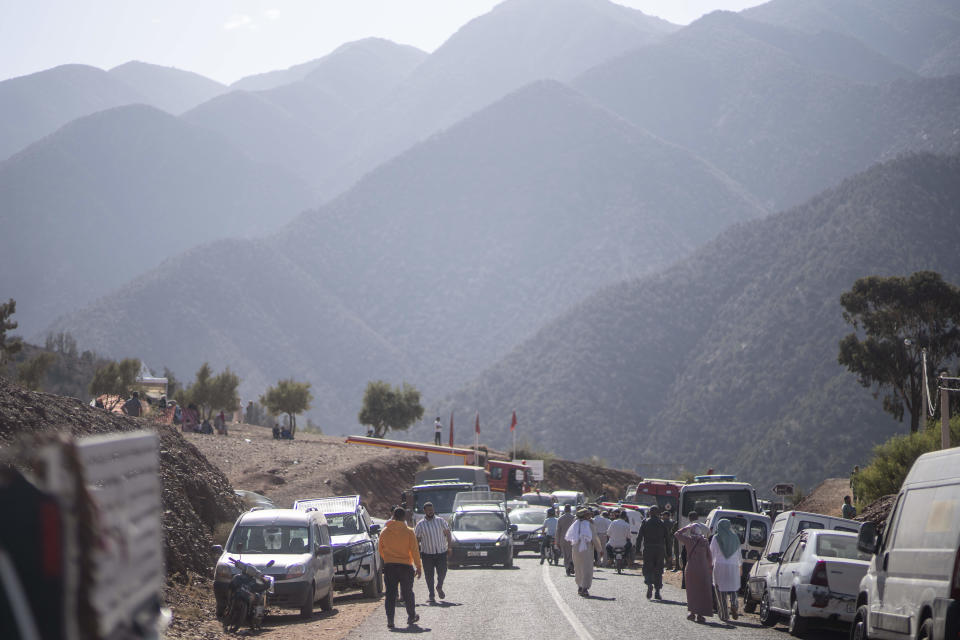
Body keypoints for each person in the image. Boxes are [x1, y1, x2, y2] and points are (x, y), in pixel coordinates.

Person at [378, 507, 422, 628]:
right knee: (408, 593)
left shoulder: (385, 531)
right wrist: (418, 566)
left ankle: (390, 620)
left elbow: (380, 549)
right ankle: (411, 616)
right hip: (405, 566)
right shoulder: (409, 531)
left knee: (390, 594)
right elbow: (415, 551)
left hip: (390, 566)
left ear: (393, 516)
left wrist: (388, 559)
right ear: (404, 518)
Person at [676, 515, 714, 623]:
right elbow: (709, 557)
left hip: (691, 568)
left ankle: (692, 613)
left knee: (692, 591)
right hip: (703, 569)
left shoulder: (688, 540)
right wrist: (710, 568)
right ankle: (701, 614)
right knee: (702, 591)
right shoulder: (705, 542)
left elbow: (676, 534)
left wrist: (686, 528)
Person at [414, 502, 452, 603]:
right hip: (427, 554)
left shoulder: (440, 521)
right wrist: (417, 552)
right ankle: (431, 595)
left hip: (441, 552)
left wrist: (449, 547)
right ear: (425, 511)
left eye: (432, 509)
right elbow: (416, 539)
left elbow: (448, 533)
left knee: (443, 571)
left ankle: (439, 586)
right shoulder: (420, 525)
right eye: (428, 510)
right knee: (429, 575)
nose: (430, 511)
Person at [710, 518, 742, 620]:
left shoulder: (716, 538)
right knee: (732, 587)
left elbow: (712, 553)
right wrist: (740, 566)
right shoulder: (735, 537)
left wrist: (710, 565)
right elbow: (739, 554)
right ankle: (734, 604)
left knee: (720, 590)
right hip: (733, 566)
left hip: (719, 565)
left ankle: (724, 615)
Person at [565, 508, 602, 597]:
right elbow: (594, 538)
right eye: (588, 514)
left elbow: (571, 538)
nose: (590, 516)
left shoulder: (575, 524)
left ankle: (580, 586)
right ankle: (584, 588)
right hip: (586, 549)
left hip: (576, 549)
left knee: (578, 568)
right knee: (587, 568)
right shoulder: (589, 525)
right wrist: (599, 549)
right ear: (585, 516)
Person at [638, 505, 671, 599]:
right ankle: (657, 591)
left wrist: (637, 550)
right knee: (658, 570)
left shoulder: (645, 522)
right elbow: (668, 540)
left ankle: (649, 584)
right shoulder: (662, 523)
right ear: (658, 513)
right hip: (660, 550)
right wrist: (669, 554)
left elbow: (639, 537)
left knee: (647, 568)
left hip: (648, 549)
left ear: (650, 512)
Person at [556, 505, 576, 576]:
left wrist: (557, 541)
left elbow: (558, 531)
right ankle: (571, 562)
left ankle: (567, 566)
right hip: (572, 539)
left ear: (564, 510)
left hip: (563, 539)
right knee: (572, 553)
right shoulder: (574, 518)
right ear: (570, 510)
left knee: (565, 554)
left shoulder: (560, 518)